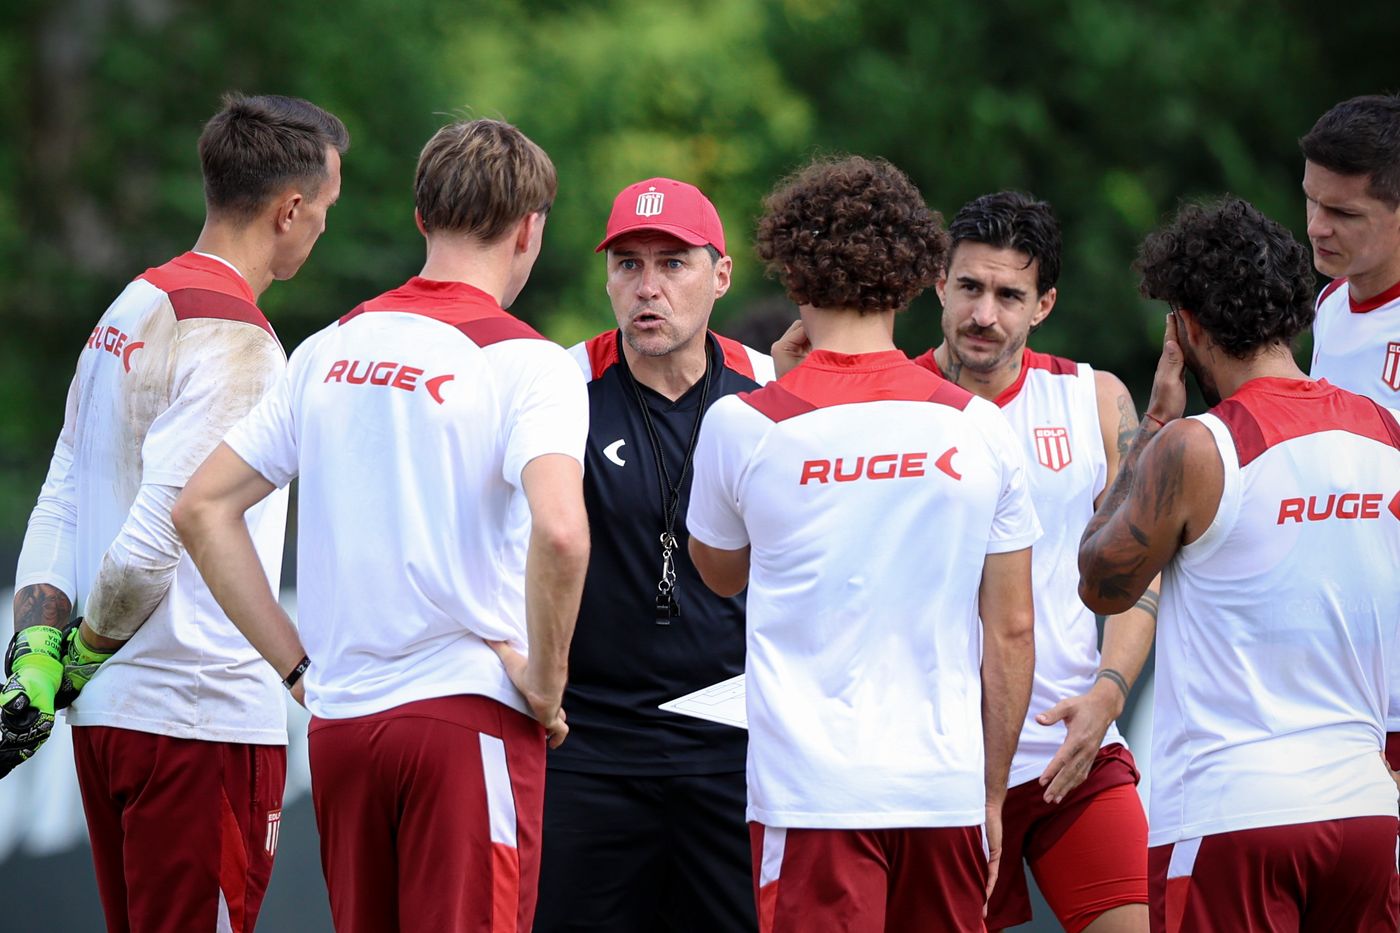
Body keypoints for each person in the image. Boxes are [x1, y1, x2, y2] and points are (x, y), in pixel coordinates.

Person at [172, 118, 590, 933]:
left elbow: (201, 508)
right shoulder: (531, 361)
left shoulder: (328, 348)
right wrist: (545, 681)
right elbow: (563, 533)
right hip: (466, 718)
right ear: (530, 229)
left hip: (343, 729)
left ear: (422, 218)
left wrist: (298, 672)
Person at [0, 93, 346, 932]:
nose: (323, 229)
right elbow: (156, 543)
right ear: (289, 209)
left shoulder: (131, 303)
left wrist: (38, 652)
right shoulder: (243, 342)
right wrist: (74, 656)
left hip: (115, 717)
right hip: (198, 718)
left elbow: (62, 489)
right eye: (326, 211)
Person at [688, 155, 1039, 933]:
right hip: (942, 788)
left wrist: (782, 393)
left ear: (792, 274)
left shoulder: (744, 423)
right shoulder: (981, 428)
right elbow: (1012, 630)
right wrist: (990, 792)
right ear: (919, 277)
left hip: (812, 792)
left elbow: (717, 573)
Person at [1078, 196, 1400, 932]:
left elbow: (1100, 580)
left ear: (1185, 328)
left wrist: (1153, 425)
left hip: (1235, 813)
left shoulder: (1195, 446)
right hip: (1363, 810)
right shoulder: (1384, 432)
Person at [534, 177, 771, 933]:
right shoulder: (561, 384)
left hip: (734, 745)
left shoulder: (769, 389)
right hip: (592, 742)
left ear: (721, 275)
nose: (648, 287)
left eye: (673, 264)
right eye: (628, 265)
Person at [911, 192, 1151, 933]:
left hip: (1068, 753)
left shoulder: (1094, 399)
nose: (985, 314)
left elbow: (1138, 576)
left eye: (1010, 294)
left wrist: (1110, 693)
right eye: (970, 288)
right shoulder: (891, 402)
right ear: (938, 284)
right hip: (936, 763)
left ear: (1043, 303)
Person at [1300, 93, 1400, 768]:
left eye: (1343, 213)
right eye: (1310, 200)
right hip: (1340, 669)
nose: (1315, 226)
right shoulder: (1330, 306)